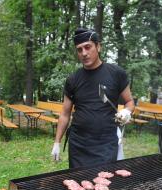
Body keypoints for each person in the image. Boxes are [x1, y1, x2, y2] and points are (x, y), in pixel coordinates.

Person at [51, 28, 135, 168]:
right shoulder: (73, 79)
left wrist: (127, 112)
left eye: (88, 47)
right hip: (79, 144)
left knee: (104, 183)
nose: (84, 53)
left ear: (98, 46)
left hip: (106, 143)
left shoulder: (116, 73)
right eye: (79, 49)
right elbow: (65, 114)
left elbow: (129, 102)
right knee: (79, 184)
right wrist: (57, 142)